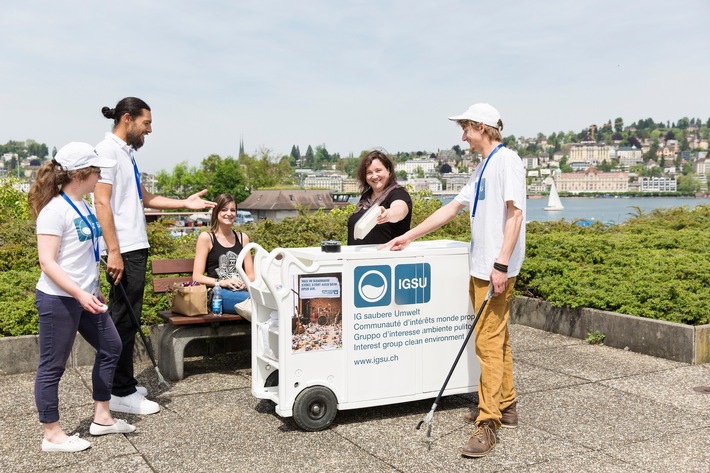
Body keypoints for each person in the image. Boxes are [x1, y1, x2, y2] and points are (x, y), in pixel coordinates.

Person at [381, 103, 526, 458]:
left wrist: (502, 264)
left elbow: (516, 214)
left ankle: (488, 422)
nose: (462, 136)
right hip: (482, 267)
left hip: (495, 268)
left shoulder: (508, 162)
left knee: (487, 344)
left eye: (465, 129)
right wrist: (410, 236)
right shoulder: (484, 167)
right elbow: (452, 208)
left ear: (480, 126)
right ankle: (506, 405)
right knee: (498, 337)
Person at [94, 97, 215, 415]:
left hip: (135, 246)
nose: (150, 129)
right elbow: (102, 203)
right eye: (146, 123)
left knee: (128, 319)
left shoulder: (126, 154)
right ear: (127, 118)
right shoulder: (107, 152)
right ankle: (119, 391)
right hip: (124, 249)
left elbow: (145, 197)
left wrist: (184, 204)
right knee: (122, 321)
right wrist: (114, 252)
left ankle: (125, 385)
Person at [29, 142, 137, 453]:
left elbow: (82, 256)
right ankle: (51, 434)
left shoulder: (86, 207)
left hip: (85, 296)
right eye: (97, 170)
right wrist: (78, 292)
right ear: (80, 174)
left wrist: (91, 287)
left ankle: (102, 418)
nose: (101, 175)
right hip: (58, 299)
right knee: (53, 366)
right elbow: (47, 262)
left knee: (111, 346)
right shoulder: (54, 211)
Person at [192, 193, 255, 313]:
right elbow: (197, 276)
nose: (229, 214)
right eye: (224, 210)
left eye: (233, 210)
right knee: (254, 302)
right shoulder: (206, 238)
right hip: (218, 293)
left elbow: (250, 275)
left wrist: (244, 284)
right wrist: (223, 282)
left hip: (241, 290)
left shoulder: (243, 238)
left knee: (265, 300)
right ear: (216, 212)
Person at [346, 150, 412, 245]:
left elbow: (400, 209)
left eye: (378, 171)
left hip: (385, 257)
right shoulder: (366, 197)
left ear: (388, 170)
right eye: (369, 172)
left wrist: (388, 214)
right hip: (358, 258)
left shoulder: (398, 193)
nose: (374, 176)